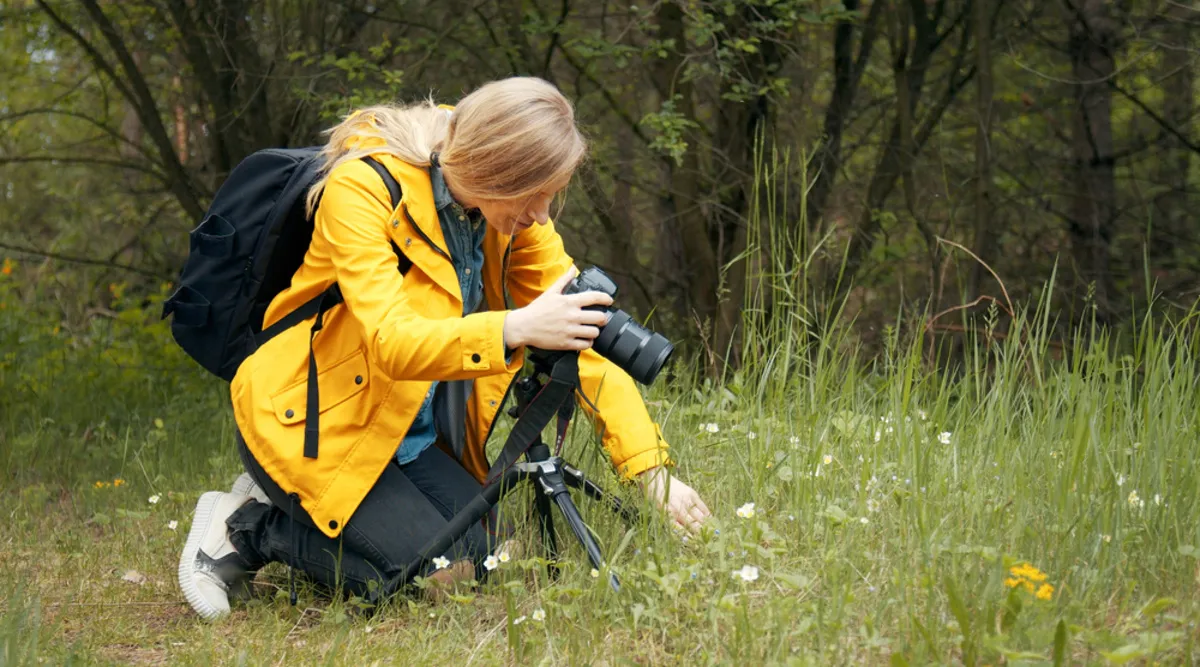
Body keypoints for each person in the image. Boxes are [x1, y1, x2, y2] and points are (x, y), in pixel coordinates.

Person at [177, 77, 712, 620]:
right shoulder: (362, 190)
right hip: (311, 424)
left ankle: (314, 513)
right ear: (496, 170)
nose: (544, 214)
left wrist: (651, 473)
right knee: (436, 579)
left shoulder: (510, 219)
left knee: (486, 563)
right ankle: (249, 527)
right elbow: (392, 341)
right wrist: (515, 328)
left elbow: (581, 332)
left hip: (406, 436)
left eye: (553, 194)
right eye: (536, 194)